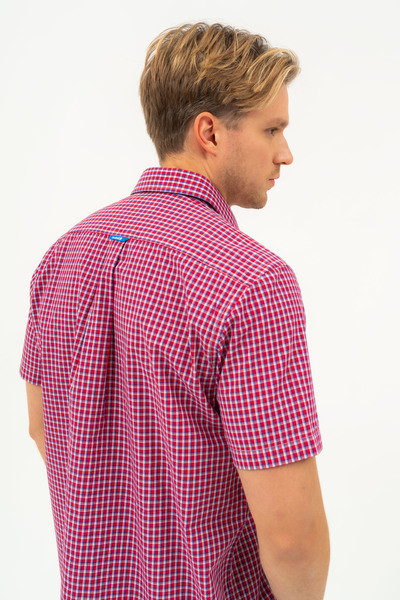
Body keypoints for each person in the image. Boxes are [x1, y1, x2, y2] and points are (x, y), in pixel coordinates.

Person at [21, 22, 330, 600]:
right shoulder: (253, 282)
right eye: (272, 129)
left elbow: (43, 427)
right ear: (208, 132)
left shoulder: (62, 256)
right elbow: (293, 538)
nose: (285, 153)